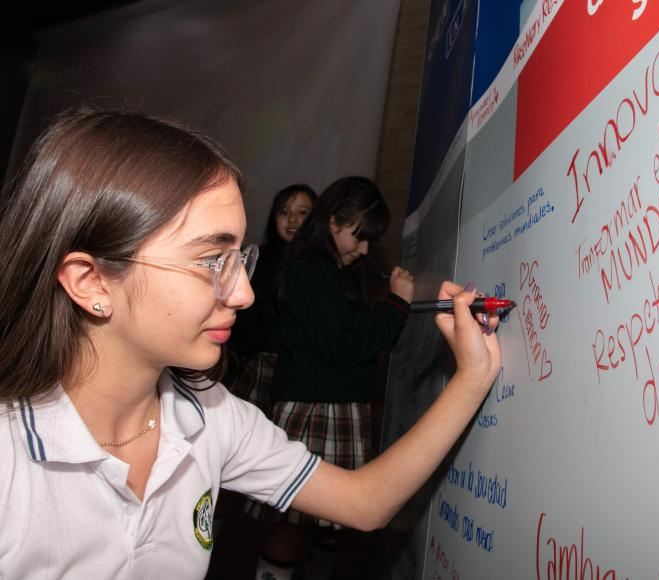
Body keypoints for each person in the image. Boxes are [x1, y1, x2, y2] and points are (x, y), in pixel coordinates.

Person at [0, 108, 501, 579]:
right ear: (91, 282)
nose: (243, 293)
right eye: (211, 259)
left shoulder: (211, 417)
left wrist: (472, 377)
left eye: (240, 257)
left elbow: (363, 502)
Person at [255, 176, 415, 577]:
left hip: (332, 407)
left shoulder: (330, 268)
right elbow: (344, 344)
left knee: (322, 529)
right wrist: (397, 304)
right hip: (315, 409)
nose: (363, 250)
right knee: (291, 527)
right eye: (359, 236)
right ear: (332, 222)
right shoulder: (311, 267)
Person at [226, 183, 317, 415]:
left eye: (303, 213)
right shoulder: (257, 259)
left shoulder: (321, 266)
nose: (293, 220)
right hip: (258, 366)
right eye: (284, 212)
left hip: (302, 374)